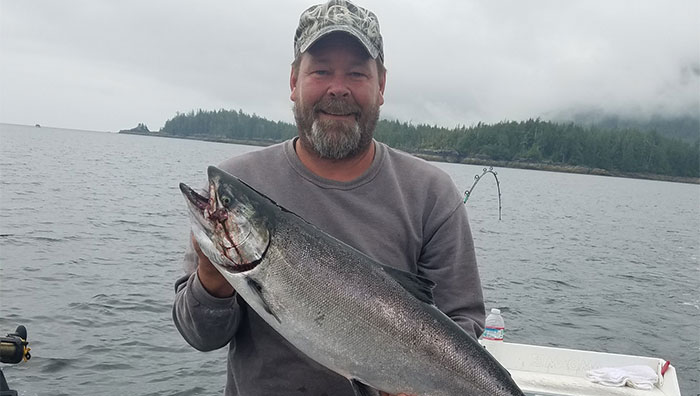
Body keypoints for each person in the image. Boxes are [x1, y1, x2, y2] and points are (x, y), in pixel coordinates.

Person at [172, 1, 485, 395]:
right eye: (321, 71)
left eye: (356, 73)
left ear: (381, 86)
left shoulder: (431, 194)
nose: (338, 88)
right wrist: (212, 280)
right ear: (293, 81)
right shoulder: (239, 183)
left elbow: (463, 327)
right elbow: (200, 336)